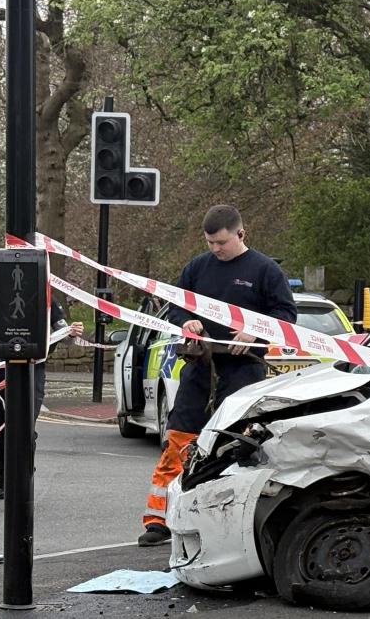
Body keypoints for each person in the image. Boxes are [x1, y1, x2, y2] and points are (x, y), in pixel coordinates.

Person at [138, 205, 296, 546]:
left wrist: (254, 331)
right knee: (179, 438)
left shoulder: (266, 270)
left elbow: (286, 316)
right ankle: (158, 519)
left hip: (243, 368)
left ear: (241, 234)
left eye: (221, 242)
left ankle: (223, 523)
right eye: (210, 242)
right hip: (199, 365)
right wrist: (186, 321)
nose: (215, 249)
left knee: (232, 443)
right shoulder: (197, 267)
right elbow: (176, 303)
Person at [0, 299, 85, 499]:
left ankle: (23, 475)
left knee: (24, 426)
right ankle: (3, 471)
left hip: (31, 369)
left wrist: (72, 332)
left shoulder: (46, 298)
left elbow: (64, 333)